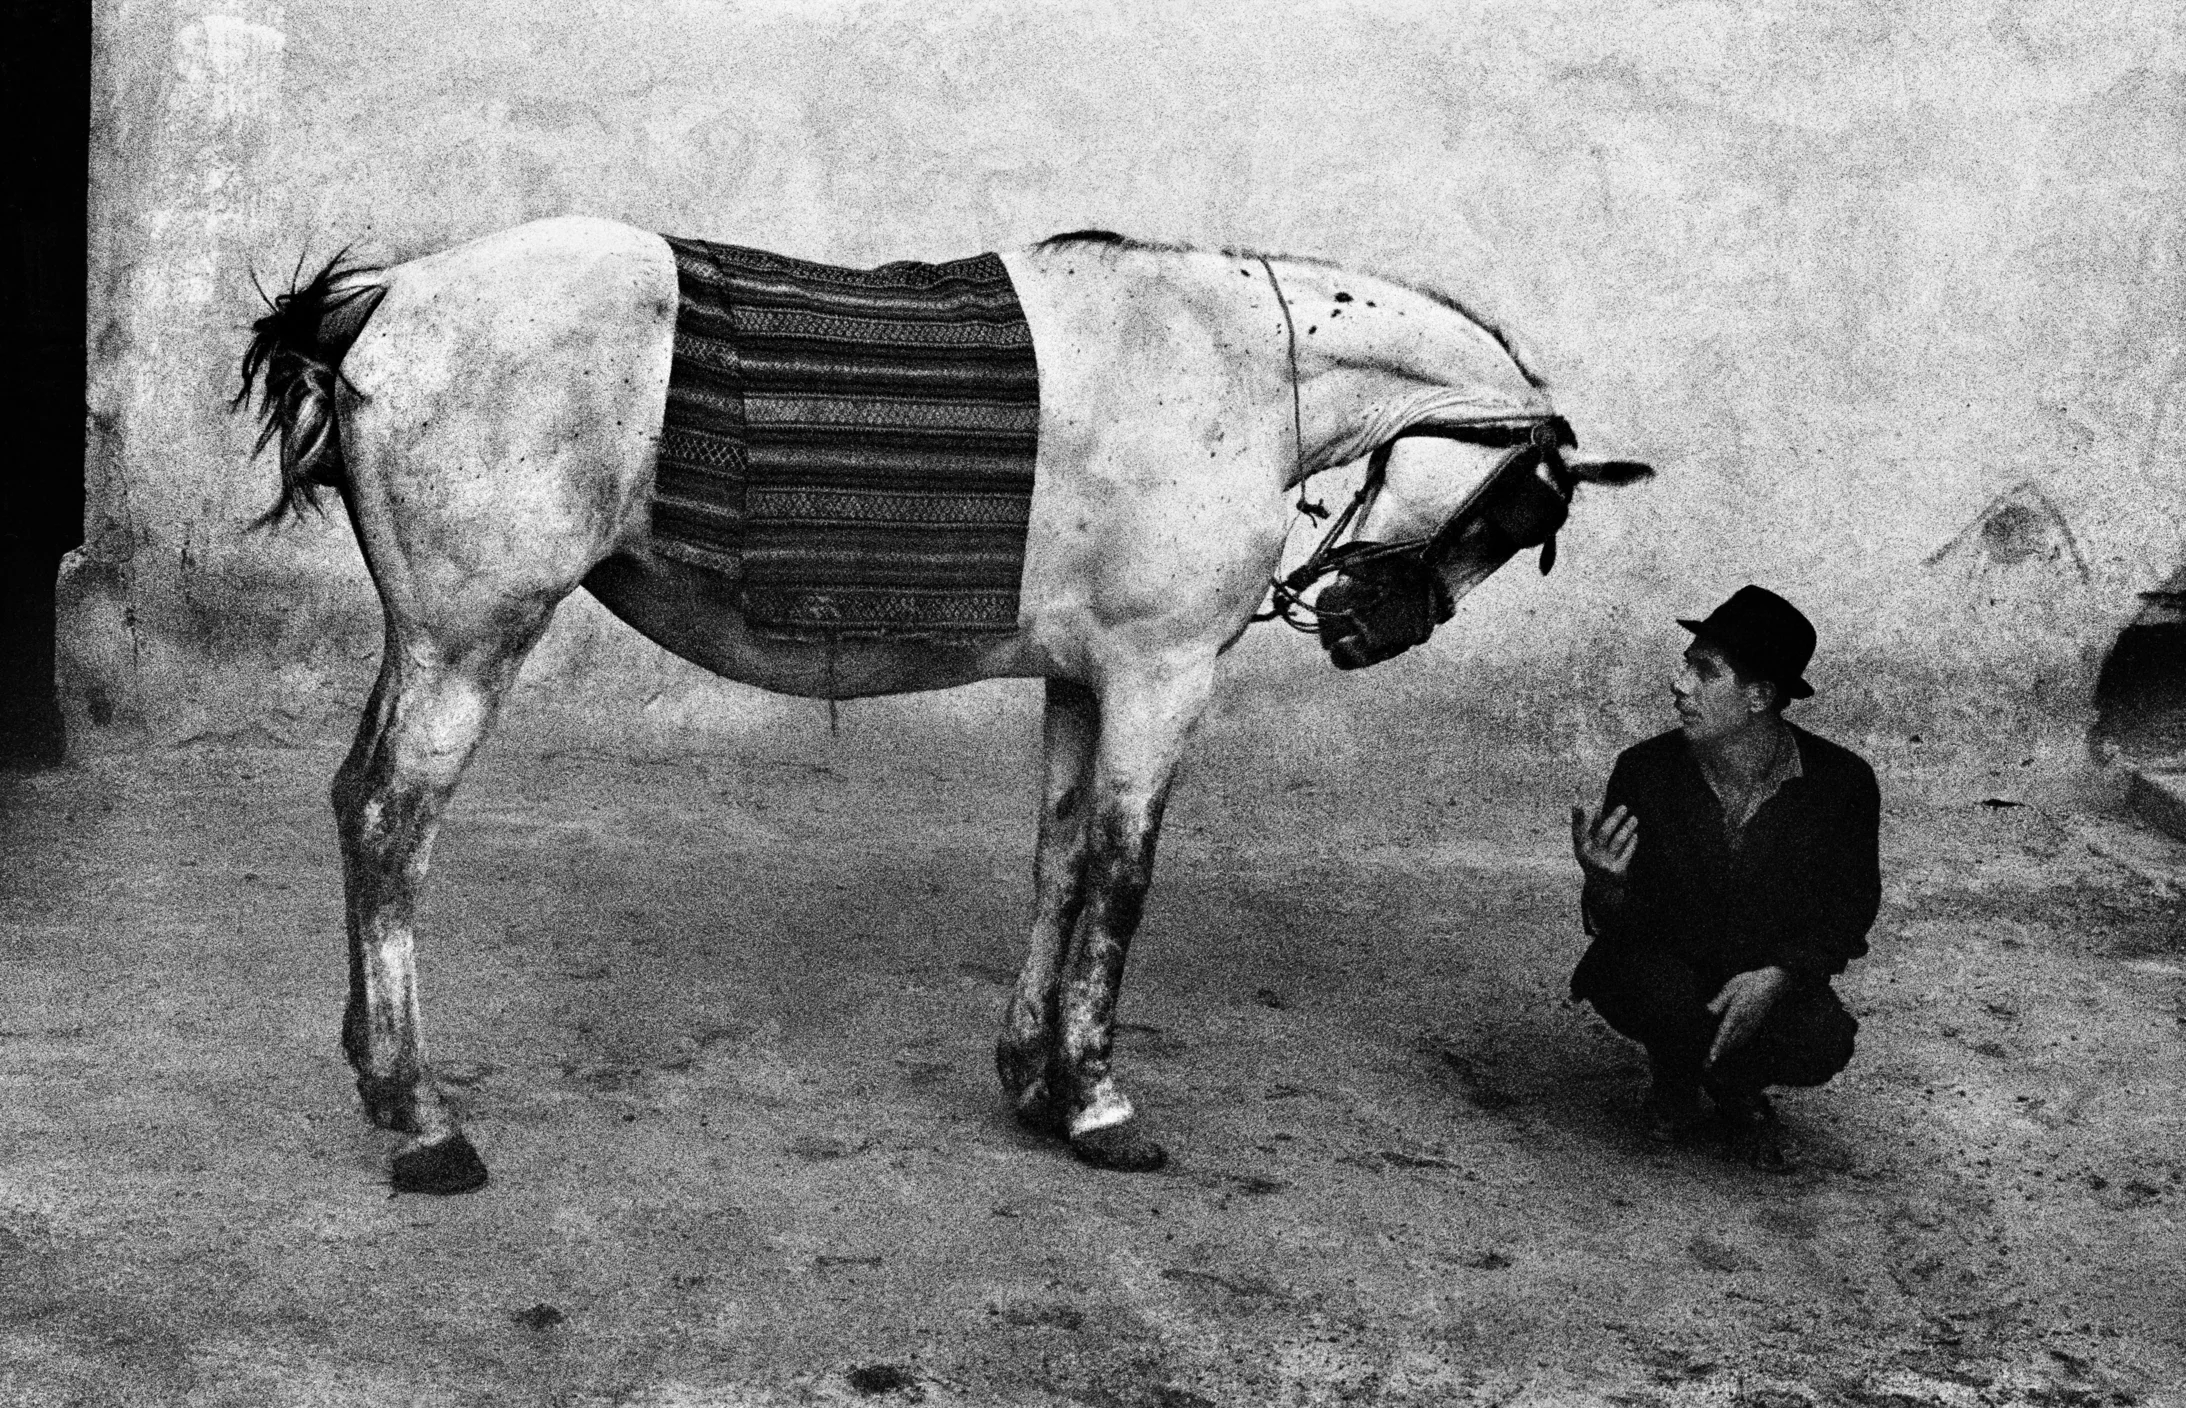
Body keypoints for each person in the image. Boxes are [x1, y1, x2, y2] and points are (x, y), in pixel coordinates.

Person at [1568, 585, 1879, 1170]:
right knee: (1643, 987)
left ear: (1759, 696)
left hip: (1764, 968)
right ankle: (1677, 1074)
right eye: (1687, 665)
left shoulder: (1841, 784)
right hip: (1671, 966)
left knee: (1819, 1039)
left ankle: (1737, 1086)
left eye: (1705, 672)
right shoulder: (1646, 771)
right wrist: (1605, 884)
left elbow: (1850, 908)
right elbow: (1622, 928)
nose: (1679, 684)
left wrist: (1780, 974)